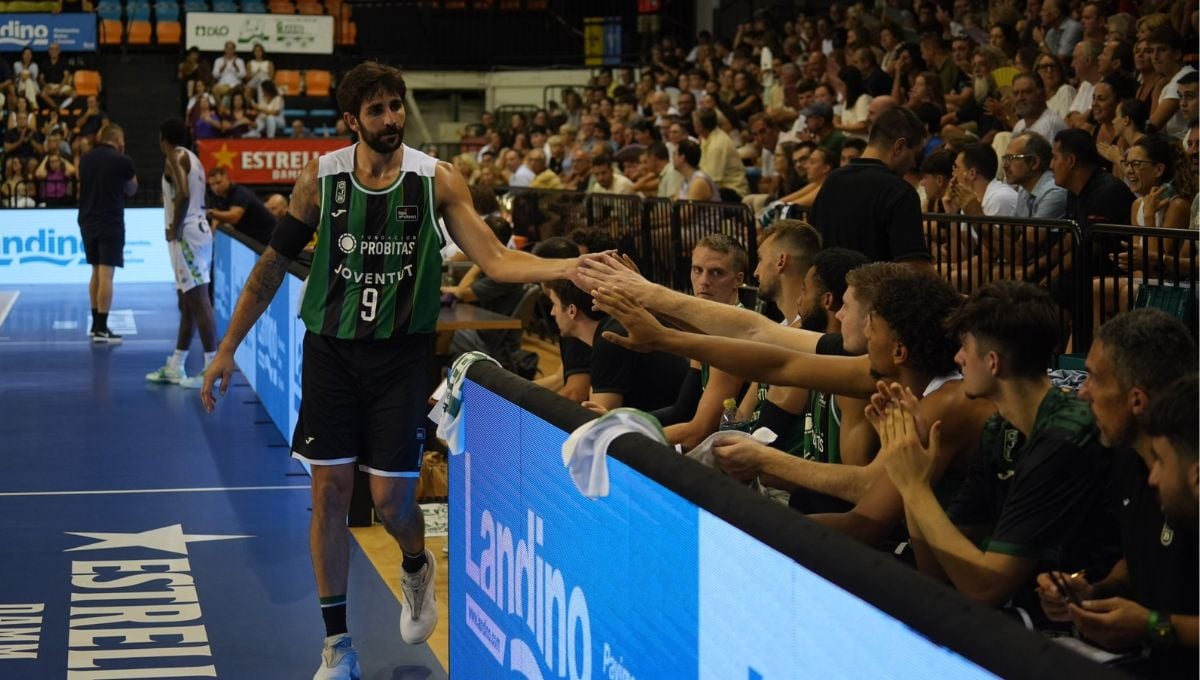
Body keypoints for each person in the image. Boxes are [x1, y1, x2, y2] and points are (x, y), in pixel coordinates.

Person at [198, 62, 591, 680]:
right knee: (328, 493)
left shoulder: (436, 179)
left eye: (396, 106)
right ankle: (338, 646)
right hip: (330, 351)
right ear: (352, 121)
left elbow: (495, 260)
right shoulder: (320, 179)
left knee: (391, 503)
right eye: (376, 110)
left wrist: (569, 268)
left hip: (401, 357)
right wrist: (227, 348)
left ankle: (414, 562)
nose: (391, 118)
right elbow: (271, 266)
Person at [873, 281, 1118, 621]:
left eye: (964, 347)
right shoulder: (999, 430)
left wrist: (913, 487)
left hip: (1080, 622)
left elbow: (985, 589)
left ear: (992, 362)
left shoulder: (1065, 437)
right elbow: (937, 573)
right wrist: (915, 473)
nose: (957, 358)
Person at [1039, 311, 1198, 676]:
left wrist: (1154, 626)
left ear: (1137, 400)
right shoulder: (1125, 458)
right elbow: (1146, 554)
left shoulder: (1187, 472)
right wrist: (1096, 592)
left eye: (1094, 377)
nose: (1082, 391)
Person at [808, 106, 932, 268]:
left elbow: (814, 244)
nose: (914, 163)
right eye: (916, 154)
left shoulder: (832, 180)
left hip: (829, 283)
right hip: (878, 284)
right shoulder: (900, 192)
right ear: (899, 147)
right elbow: (913, 266)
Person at [146, 119, 217, 388]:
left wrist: (174, 228)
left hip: (186, 234)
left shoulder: (173, 157)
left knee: (199, 300)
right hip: (198, 229)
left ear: (162, 139)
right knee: (188, 302)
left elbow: (184, 194)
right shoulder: (193, 158)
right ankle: (176, 366)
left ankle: (212, 367)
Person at [77, 123, 136, 343]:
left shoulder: (85, 159)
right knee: (106, 274)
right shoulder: (122, 160)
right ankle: (102, 328)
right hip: (110, 221)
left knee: (95, 271)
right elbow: (132, 189)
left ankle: (96, 326)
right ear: (118, 140)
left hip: (87, 219)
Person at [206, 167, 277, 245]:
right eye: (212, 185)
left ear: (226, 178)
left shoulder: (239, 193)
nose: (216, 187)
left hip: (270, 237)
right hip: (252, 238)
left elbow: (234, 217)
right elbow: (216, 218)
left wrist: (211, 213)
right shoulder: (217, 197)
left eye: (218, 183)